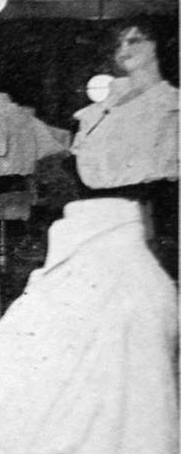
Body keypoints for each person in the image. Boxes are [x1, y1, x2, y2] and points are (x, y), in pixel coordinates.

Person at [70, 17, 178, 276]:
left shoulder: (171, 104)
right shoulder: (106, 103)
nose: (123, 50)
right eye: (118, 44)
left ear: (157, 45)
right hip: (98, 211)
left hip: (146, 214)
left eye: (134, 40)